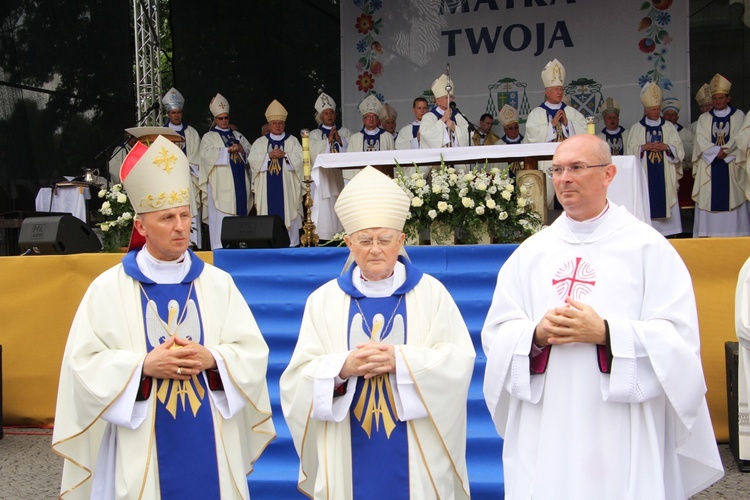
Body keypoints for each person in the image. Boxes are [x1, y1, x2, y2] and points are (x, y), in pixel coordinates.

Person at [481, 134, 723, 499]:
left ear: (609, 174)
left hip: (620, 420)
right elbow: (497, 332)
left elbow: (678, 339)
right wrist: (535, 335)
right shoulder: (531, 253)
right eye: (558, 169)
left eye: (577, 168)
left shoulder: (647, 248)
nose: (564, 178)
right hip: (549, 421)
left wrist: (608, 332)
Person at [52, 135, 275, 499]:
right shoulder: (108, 289)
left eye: (185, 215)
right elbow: (82, 366)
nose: (180, 227)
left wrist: (213, 357)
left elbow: (252, 353)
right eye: (167, 217)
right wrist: (142, 366)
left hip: (210, 439)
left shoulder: (218, 284)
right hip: (138, 446)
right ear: (140, 226)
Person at [280, 166, 475, 499]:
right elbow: (297, 379)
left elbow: (458, 362)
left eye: (385, 240)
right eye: (365, 240)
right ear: (348, 244)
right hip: (346, 444)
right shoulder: (324, 300)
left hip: (417, 448)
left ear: (401, 241)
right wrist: (343, 367)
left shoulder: (431, 293)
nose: (375, 249)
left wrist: (401, 360)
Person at [692, 73, 749, 237]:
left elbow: (741, 136)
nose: (718, 101)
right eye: (715, 98)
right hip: (711, 164)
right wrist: (718, 152)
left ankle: (736, 234)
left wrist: (727, 151)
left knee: (734, 196)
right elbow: (700, 139)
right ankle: (707, 234)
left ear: (728, 98)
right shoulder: (704, 118)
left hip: (731, 165)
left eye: (721, 98)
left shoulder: (739, 115)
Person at [626, 82, 685, 236]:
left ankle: (670, 234)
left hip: (664, 175)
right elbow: (629, 153)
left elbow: (679, 150)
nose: (656, 112)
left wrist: (666, 147)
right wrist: (642, 148)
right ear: (645, 110)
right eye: (653, 109)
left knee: (665, 197)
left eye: (658, 109)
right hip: (646, 176)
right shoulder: (636, 128)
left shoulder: (669, 127)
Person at [199, 93, 253, 249]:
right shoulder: (209, 137)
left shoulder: (238, 135)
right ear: (215, 119)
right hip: (220, 187)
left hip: (240, 184)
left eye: (226, 118)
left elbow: (251, 152)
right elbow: (206, 155)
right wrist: (226, 151)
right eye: (221, 118)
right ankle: (220, 249)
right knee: (221, 220)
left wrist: (242, 150)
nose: (224, 121)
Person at [249, 99, 304, 247]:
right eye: (274, 123)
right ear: (269, 125)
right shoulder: (260, 142)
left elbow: (301, 161)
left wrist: (286, 155)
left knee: (289, 216)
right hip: (267, 190)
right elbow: (252, 161)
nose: (278, 125)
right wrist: (268, 156)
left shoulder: (292, 141)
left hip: (287, 191)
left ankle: (292, 246)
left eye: (280, 122)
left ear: (284, 124)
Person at [162, 87, 203, 248]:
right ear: (168, 114)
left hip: (188, 179)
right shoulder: (161, 133)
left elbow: (198, 157)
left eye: (178, 112)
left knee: (190, 209)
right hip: (168, 179)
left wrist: (183, 161)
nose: (176, 115)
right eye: (173, 113)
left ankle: (192, 244)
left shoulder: (191, 133)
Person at [309, 92, 351, 240]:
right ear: (321, 116)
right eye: (326, 113)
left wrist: (341, 141)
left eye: (331, 113)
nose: (329, 116)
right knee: (325, 208)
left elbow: (351, 151)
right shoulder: (314, 134)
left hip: (341, 177)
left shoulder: (345, 132)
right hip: (323, 177)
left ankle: (342, 235)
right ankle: (324, 236)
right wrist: (328, 141)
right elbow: (312, 153)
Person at [523, 58, 587, 145]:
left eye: (561, 89)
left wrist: (568, 124)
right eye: (556, 89)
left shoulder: (571, 112)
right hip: (546, 158)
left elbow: (585, 132)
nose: (560, 92)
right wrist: (551, 125)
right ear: (547, 92)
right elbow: (532, 136)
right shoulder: (536, 114)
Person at [419, 73, 470, 150]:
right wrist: (443, 120)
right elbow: (426, 135)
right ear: (438, 101)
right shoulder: (428, 117)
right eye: (447, 97)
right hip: (438, 159)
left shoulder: (459, 116)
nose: (451, 100)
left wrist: (454, 128)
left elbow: (469, 135)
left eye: (452, 97)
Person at [661, 96, 694, 171]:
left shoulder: (686, 133)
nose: (670, 117)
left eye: (673, 115)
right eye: (667, 114)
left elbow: (693, 151)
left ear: (677, 117)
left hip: (683, 169)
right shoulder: (659, 132)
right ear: (663, 117)